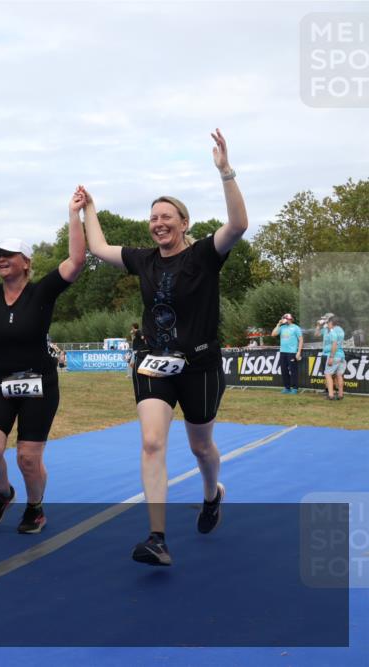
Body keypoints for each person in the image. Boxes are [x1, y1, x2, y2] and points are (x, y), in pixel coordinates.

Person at [83, 129, 248, 566]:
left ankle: (212, 495)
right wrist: (89, 208)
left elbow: (238, 225)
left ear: (184, 223)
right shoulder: (143, 259)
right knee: (152, 442)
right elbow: (98, 247)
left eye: (167, 216)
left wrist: (225, 171)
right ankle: (157, 538)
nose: (158, 222)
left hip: (201, 365)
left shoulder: (204, 256)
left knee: (200, 447)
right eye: (153, 217)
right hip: (155, 365)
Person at [0, 189, 86, 533]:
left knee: (27, 457)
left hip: (39, 386)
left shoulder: (43, 291)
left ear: (26, 261)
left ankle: (35, 507)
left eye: (8, 255)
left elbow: (77, 260)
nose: (0, 259)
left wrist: (73, 214)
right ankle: (4, 492)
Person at [271, 313, 303, 394]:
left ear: (291, 319)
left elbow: (301, 340)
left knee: (293, 371)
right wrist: (278, 324)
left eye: (287, 318)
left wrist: (298, 352)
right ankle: (287, 388)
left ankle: (295, 388)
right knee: (284, 370)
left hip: (292, 352)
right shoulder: (282, 327)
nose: (285, 320)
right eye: (284, 318)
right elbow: (273, 334)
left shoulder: (296, 328)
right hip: (283, 352)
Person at [324, 315, 346, 400]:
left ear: (331, 323)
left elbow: (334, 344)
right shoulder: (341, 330)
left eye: (328, 323)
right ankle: (340, 394)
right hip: (341, 355)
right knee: (339, 375)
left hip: (335, 355)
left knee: (328, 374)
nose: (327, 324)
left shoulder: (333, 332)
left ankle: (331, 395)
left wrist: (331, 357)